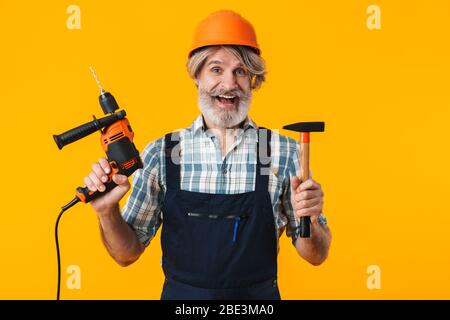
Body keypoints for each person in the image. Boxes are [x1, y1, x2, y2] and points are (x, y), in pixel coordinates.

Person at [83, 10, 331, 300]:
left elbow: (315, 255)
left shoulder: (285, 152)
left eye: (240, 71)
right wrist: (106, 211)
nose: (229, 84)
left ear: (252, 79)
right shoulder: (162, 153)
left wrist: (311, 221)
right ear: (196, 76)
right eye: (216, 69)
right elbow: (126, 254)